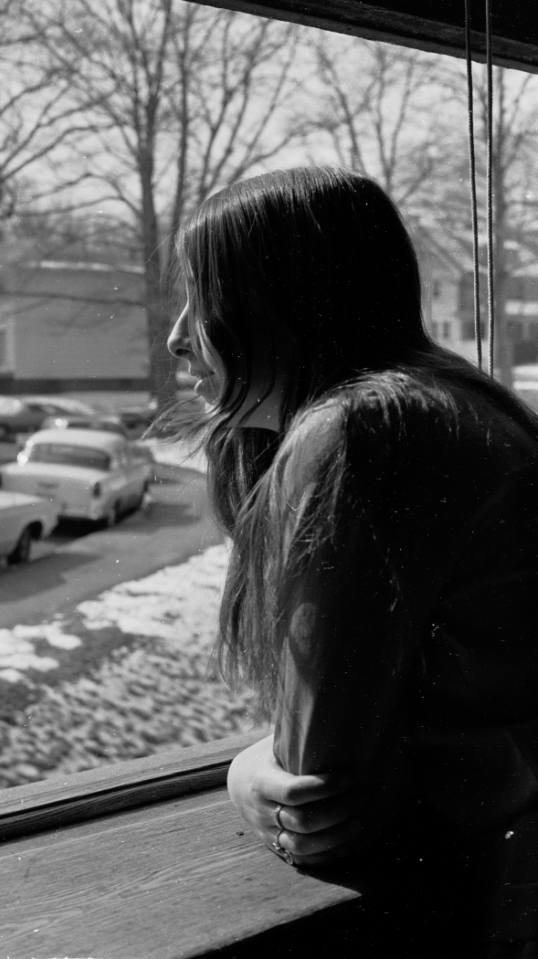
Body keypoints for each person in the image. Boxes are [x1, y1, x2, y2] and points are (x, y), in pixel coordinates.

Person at [167, 166, 538, 957]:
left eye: (201, 298)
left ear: (282, 298)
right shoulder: (453, 405)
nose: (177, 335)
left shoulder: (366, 430)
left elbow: (314, 804)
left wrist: (242, 773)